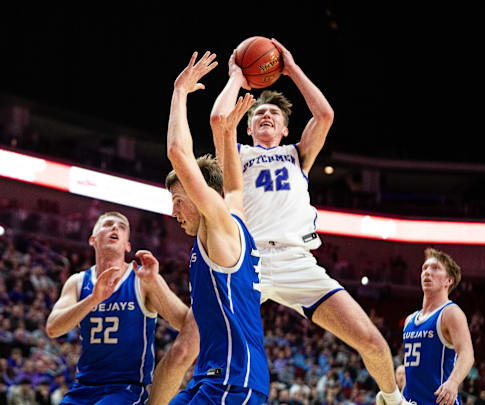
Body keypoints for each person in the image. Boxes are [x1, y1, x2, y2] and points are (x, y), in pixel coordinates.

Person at [202, 38, 410, 405]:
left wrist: (291, 68)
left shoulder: (297, 154)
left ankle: (393, 400)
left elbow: (325, 115)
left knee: (372, 341)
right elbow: (219, 119)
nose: (266, 116)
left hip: (297, 261)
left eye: (275, 115)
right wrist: (236, 74)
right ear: (248, 127)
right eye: (258, 114)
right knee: (197, 342)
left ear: (285, 129)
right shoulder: (237, 152)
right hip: (247, 263)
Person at [163, 51, 268, 404]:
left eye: (179, 199)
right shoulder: (233, 211)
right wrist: (228, 130)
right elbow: (234, 185)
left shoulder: (219, 221)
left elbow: (179, 151)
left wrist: (179, 92)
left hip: (233, 382)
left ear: (200, 194)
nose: (173, 211)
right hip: (210, 378)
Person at [45, 211, 190, 405]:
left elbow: (184, 323)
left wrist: (156, 283)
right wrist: (93, 300)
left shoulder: (143, 278)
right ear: (93, 240)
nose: (115, 228)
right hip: (84, 387)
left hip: (126, 389)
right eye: (108, 224)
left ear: (127, 245)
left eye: (122, 227)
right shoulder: (77, 282)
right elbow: (53, 328)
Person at [402, 248, 474, 405]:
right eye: (424, 268)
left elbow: (467, 353)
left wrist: (454, 382)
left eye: (435, 268)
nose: (427, 272)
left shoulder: (450, 312)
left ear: (448, 280)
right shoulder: (409, 320)